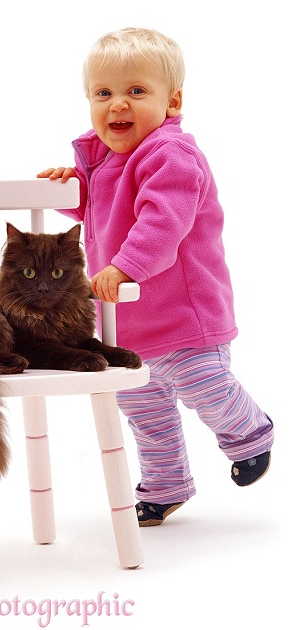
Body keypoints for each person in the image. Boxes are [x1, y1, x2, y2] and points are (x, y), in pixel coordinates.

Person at [37, 27, 273, 526]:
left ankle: (250, 434)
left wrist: (124, 266)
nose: (117, 105)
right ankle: (166, 486)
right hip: (129, 329)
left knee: (203, 385)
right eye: (103, 94)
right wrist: (70, 191)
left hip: (185, 317)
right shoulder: (107, 164)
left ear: (173, 101)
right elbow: (98, 214)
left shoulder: (170, 155)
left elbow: (163, 222)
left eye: (136, 91)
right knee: (145, 414)